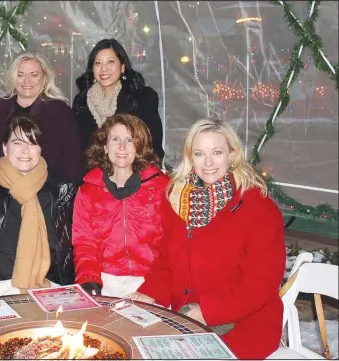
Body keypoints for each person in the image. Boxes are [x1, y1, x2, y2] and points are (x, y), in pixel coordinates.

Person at [131, 119, 286, 359]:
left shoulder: (260, 208)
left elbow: (260, 285)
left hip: (245, 325)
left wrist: (207, 312)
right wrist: (149, 292)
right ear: (190, 157)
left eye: (217, 152)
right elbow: (166, 260)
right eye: (200, 154)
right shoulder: (176, 199)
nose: (209, 163)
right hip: (189, 316)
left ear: (232, 155)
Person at [0, 114, 77, 300]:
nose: (25, 150)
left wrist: (66, 287)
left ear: (40, 149)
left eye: (32, 143)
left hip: (45, 288)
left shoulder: (61, 193)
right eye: (17, 143)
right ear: (5, 148)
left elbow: (72, 251)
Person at [72, 113, 169, 297]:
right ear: (105, 146)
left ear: (139, 146)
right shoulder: (88, 191)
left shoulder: (161, 188)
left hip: (149, 280)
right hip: (105, 280)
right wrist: (88, 279)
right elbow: (84, 243)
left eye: (130, 140)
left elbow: (170, 244)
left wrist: (156, 287)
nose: (122, 147)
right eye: (115, 139)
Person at [0, 51, 85, 191]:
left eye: (34, 75)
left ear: (45, 78)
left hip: (46, 199)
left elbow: (73, 166)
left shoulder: (60, 113)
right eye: (20, 75)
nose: (26, 81)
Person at [73, 38, 164, 162]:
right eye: (98, 63)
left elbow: (153, 146)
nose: (104, 69)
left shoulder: (142, 98)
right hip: (92, 176)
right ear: (92, 69)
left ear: (122, 67)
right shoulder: (82, 102)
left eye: (110, 62)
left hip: (134, 174)